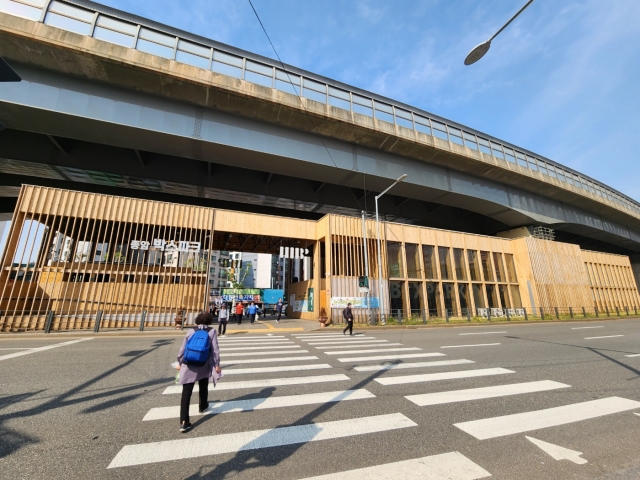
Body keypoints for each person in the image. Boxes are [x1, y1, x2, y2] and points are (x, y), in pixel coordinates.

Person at [176, 311, 221, 433]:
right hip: (203, 363)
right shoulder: (211, 331)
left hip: (188, 364)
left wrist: (180, 362)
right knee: (203, 384)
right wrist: (217, 364)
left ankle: (184, 422)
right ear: (209, 321)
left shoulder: (191, 331)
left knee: (186, 393)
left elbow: (182, 349)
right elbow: (215, 350)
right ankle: (203, 406)